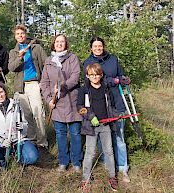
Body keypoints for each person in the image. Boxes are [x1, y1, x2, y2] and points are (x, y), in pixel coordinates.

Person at [83, 37, 130, 182]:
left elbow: (120, 74)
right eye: (95, 46)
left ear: (103, 47)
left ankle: (122, 167)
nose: (98, 48)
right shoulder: (88, 62)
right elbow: (91, 82)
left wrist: (123, 79)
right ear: (91, 48)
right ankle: (107, 165)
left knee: (119, 136)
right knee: (103, 139)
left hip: (116, 101)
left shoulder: (113, 59)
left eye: (100, 46)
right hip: (101, 105)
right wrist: (113, 80)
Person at [40, 34, 82, 172]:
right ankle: (63, 161)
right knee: (60, 133)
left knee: (75, 133)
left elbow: (75, 77)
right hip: (56, 103)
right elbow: (44, 83)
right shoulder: (48, 61)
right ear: (53, 44)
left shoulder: (72, 58)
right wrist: (48, 99)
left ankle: (76, 162)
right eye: (57, 41)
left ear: (66, 44)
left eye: (62, 41)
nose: (59, 44)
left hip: (72, 101)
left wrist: (62, 87)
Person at [77, 63, 118, 192]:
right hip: (91, 127)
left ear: (101, 75)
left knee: (109, 151)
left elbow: (111, 105)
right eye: (92, 75)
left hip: (105, 125)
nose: (95, 77)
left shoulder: (106, 88)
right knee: (90, 153)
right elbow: (80, 108)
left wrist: (115, 116)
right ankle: (86, 179)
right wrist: (90, 116)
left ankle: (112, 177)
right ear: (88, 76)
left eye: (97, 74)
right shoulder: (83, 90)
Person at [0, 82, 39, 169]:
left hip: (18, 140)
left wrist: (22, 126)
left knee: (33, 157)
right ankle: (2, 161)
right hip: (2, 143)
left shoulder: (16, 105)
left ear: (5, 92)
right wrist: (1, 141)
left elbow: (25, 123)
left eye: (1, 92)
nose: (0, 96)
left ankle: (19, 159)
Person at [8, 24, 48, 148]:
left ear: (25, 34)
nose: (20, 35)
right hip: (20, 87)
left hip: (34, 84)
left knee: (38, 114)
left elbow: (46, 64)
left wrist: (44, 82)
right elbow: (11, 68)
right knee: (26, 115)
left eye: (22, 33)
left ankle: (42, 142)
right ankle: (31, 140)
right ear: (15, 37)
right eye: (18, 34)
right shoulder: (13, 52)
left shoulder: (36, 48)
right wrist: (19, 57)